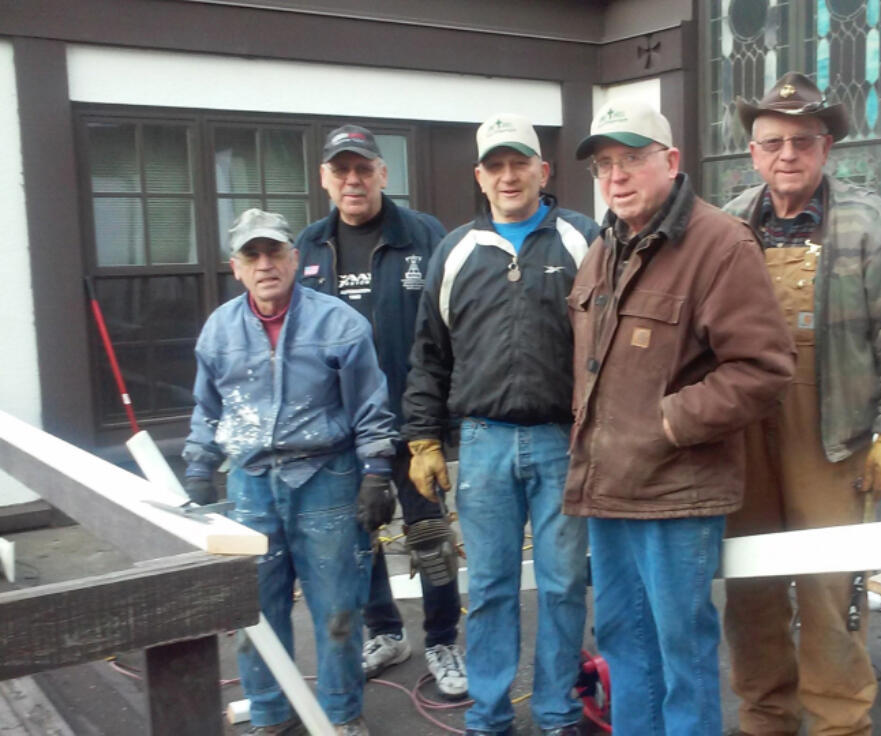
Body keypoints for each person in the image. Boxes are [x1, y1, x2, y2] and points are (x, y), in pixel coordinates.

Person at [566, 99, 795, 736]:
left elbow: (763, 368)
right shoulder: (602, 248)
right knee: (622, 646)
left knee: (681, 651)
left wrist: (668, 424)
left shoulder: (720, 245)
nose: (616, 176)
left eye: (632, 159)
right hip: (609, 489)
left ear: (670, 161)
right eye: (605, 164)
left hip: (677, 492)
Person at [721, 72, 881, 736]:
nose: (788, 153)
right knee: (748, 582)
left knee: (829, 586)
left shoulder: (869, 223)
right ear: (753, 152)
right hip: (741, 432)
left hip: (834, 433)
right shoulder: (726, 225)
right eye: (773, 141)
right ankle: (765, 719)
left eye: (803, 140)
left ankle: (840, 724)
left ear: (826, 148)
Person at [403, 113, 599, 736]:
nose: (509, 176)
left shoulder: (583, 241)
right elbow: (429, 352)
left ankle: (558, 711)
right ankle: (489, 717)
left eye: (521, 163)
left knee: (565, 584)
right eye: (496, 166)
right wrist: (425, 439)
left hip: (561, 444)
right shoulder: (455, 251)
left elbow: (613, 347)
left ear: (544, 171)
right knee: (488, 587)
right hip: (483, 443)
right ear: (480, 178)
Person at [183, 208, 397, 736]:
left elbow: (371, 405)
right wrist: (196, 471)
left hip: (326, 482)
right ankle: (270, 713)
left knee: (338, 611)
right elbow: (208, 410)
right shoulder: (218, 331)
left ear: (295, 259)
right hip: (249, 487)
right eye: (252, 255)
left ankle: (342, 715)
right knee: (253, 613)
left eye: (274, 251)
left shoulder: (340, 324)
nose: (265, 264)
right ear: (236, 267)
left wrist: (376, 472)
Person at [293, 124, 468, 695]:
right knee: (358, 539)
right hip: (339, 432)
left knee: (429, 537)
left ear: (382, 174)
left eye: (363, 169)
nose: (352, 180)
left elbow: (447, 331)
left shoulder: (423, 235)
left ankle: (443, 640)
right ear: (325, 179)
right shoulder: (307, 248)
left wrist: (441, 422)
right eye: (340, 171)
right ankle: (386, 631)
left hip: (413, 423)